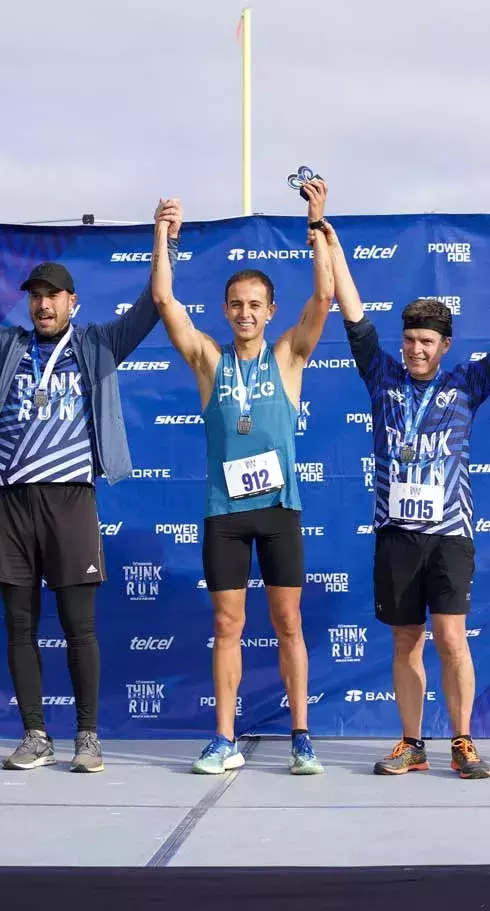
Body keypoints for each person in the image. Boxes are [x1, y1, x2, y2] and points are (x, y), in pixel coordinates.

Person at [0, 202, 183, 774]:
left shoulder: (99, 343)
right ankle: (34, 734)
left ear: (72, 303)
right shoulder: (3, 345)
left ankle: (87, 737)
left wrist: (164, 241)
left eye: (53, 295)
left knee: (80, 627)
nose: (44, 303)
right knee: (20, 626)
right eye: (36, 295)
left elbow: (157, 303)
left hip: (70, 500)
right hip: (12, 502)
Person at [316, 214, 490, 780]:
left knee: (452, 638)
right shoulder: (381, 377)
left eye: (425, 341)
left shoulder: (467, 384)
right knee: (406, 640)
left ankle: (463, 740)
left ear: (445, 345)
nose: (414, 349)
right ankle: (411, 742)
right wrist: (332, 244)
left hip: (450, 536)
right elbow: (355, 318)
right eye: (408, 339)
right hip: (396, 535)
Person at [149, 182, 334, 776]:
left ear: (269, 311)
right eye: (236, 304)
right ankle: (224, 738)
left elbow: (325, 297)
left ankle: (301, 736)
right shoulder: (209, 360)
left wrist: (317, 225)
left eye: (256, 304)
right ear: (226, 311)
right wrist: (162, 237)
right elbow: (163, 303)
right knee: (227, 625)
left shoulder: (288, 357)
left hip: (279, 510)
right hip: (225, 514)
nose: (246, 313)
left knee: (288, 623)